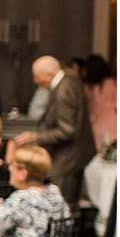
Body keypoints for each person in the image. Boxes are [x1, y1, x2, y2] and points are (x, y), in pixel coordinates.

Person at [29, 54, 95, 210]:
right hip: (75, 155)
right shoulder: (70, 81)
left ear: (48, 75)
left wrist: (37, 137)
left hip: (68, 158)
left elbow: (67, 130)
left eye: (37, 77)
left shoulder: (63, 90)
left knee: (61, 205)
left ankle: (63, 235)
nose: (35, 81)